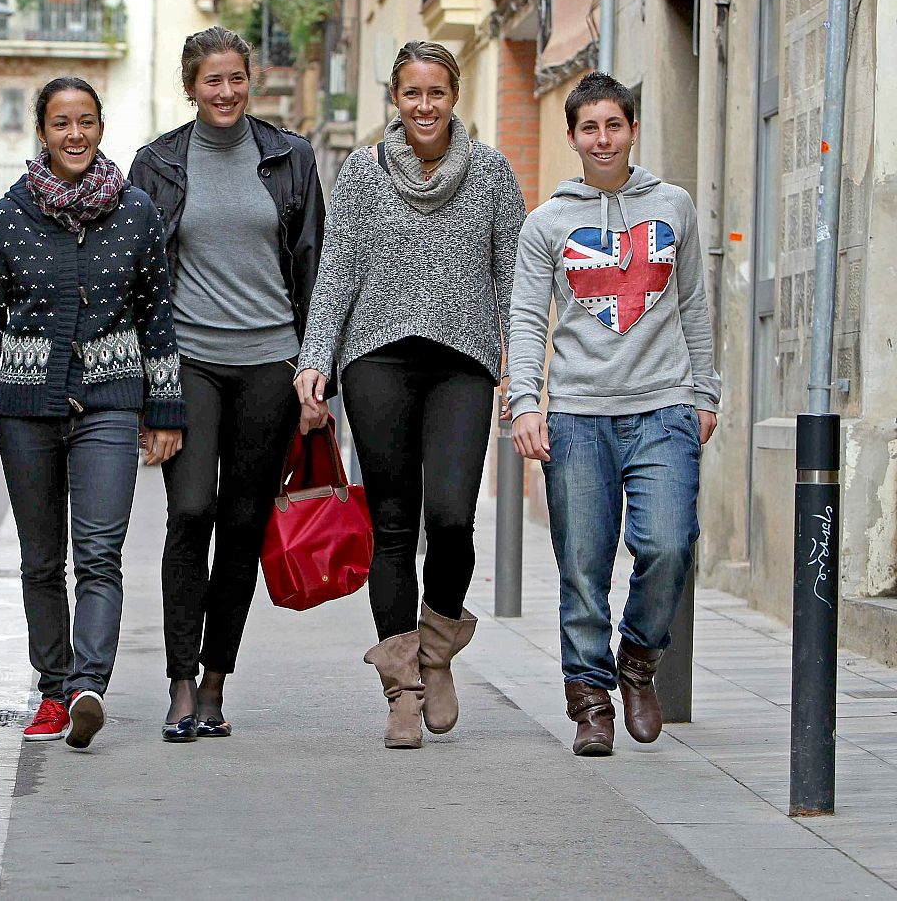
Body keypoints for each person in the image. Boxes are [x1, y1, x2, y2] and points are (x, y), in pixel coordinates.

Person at [295, 41, 524, 749]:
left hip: (462, 361)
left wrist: (523, 366)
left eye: (436, 93)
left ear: (455, 97)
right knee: (393, 525)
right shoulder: (362, 174)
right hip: (376, 361)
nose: (424, 106)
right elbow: (335, 272)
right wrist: (314, 362)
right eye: (411, 94)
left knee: (453, 517)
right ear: (395, 100)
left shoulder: (490, 172)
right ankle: (402, 685)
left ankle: (437, 646)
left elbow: (515, 273)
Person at [0, 77, 185, 750]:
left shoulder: (137, 212)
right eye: (62, 123)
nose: (76, 135)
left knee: (99, 553)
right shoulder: (9, 216)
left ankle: (89, 686)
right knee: (38, 559)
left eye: (86, 121)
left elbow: (156, 317)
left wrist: (165, 407)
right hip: (27, 408)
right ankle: (52, 691)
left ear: (101, 126)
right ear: (43, 132)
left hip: (111, 404)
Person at [508, 71, 720, 757]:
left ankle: (638, 659)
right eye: (589, 128)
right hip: (576, 417)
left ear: (632, 129)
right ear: (571, 137)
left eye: (614, 125)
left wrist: (705, 395)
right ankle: (590, 699)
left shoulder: (674, 207)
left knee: (669, 544)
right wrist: (524, 403)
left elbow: (693, 304)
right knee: (582, 562)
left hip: (663, 408)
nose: (603, 139)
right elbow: (525, 319)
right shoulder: (547, 225)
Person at [128, 26, 327, 742]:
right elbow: (137, 283)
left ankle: (215, 681)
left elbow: (315, 267)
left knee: (244, 524)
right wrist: (146, 388)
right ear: (191, 86)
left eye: (236, 79)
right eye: (212, 80)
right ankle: (180, 680)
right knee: (191, 513)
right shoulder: (155, 165)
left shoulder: (289, 157)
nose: (225, 92)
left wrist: (314, 369)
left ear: (252, 81)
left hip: (271, 363)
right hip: (189, 365)